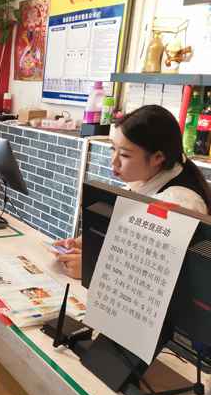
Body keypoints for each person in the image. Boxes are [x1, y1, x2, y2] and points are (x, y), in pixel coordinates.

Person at [55, 104, 211, 279]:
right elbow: (119, 228)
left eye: (125, 155)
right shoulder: (144, 176)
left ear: (158, 158)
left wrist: (91, 267)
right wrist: (82, 243)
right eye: (113, 149)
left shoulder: (182, 202)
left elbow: (155, 275)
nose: (113, 162)